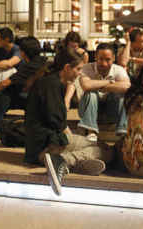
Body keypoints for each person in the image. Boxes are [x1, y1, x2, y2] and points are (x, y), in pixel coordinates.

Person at [24, 47, 114, 196]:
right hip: (45, 147)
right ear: (67, 68)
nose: (80, 73)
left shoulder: (50, 82)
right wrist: (72, 139)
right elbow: (59, 123)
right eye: (78, 69)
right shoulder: (51, 85)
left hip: (39, 144)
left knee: (95, 145)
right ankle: (61, 160)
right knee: (105, 150)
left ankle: (77, 164)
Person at [0, 36, 47, 137]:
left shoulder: (29, 66)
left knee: (5, 93)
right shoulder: (43, 61)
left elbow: (6, 82)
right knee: (8, 93)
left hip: (34, 101)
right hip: (42, 101)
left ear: (23, 52)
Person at [76, 43, 131, 142]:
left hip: (110, 112)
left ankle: (122, 131)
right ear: (95, 57)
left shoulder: (119, 70)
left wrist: (100, 86)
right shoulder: (87, 68)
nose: (104, 63)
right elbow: (86, 85)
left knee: (122, 96)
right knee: (91, 93)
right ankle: (91, 131)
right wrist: (109, 82)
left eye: (108, 60)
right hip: (87, 110)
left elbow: (127, 87)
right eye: (101, 59)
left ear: (113, 58)